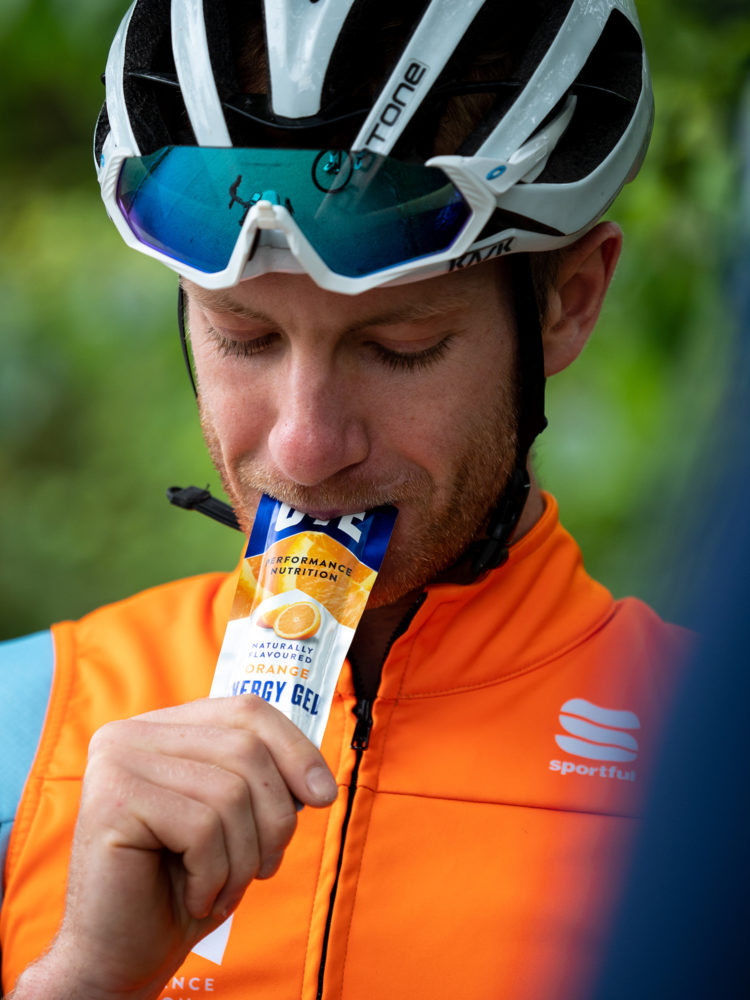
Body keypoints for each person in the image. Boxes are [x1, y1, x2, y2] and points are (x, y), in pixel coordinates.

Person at [0, 1, 691, 998]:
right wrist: (86, 976)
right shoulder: (25, 728)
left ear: (568, 303)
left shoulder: (710, 766)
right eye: (244, 336)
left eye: (399, 346)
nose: (305, 446)